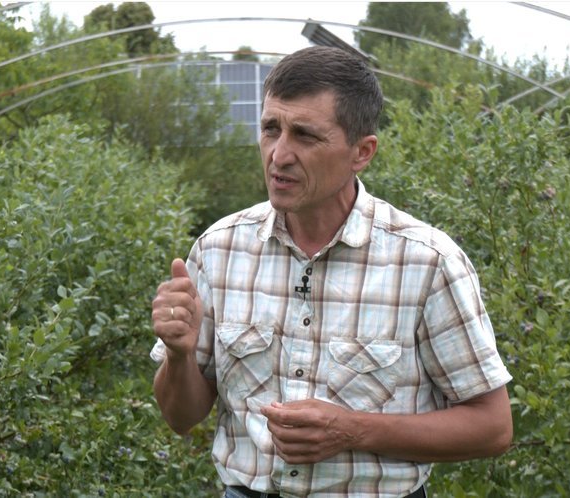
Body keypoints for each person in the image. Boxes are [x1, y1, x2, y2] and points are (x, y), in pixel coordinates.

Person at [150, 46, 513, 498]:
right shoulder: (218, 250)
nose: (279, 155)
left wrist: (352, 430)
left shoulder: (426, 262)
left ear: (362, 152)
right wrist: (179, 355)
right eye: (271, 129)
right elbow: (181, 417)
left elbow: (492, 427)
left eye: (305, 135)